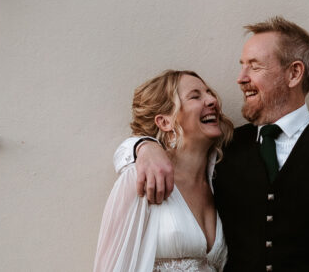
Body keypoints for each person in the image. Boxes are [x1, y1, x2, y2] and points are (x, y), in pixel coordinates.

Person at [118, 18, 309, 271]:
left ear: (294, 73)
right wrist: (143, 147)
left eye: (254, 67)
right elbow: (162, 154)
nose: (240, 78)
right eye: (242, 66)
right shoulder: (220, 152)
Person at [95, 70, 236, 272]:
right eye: (195, 96)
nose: (212, 100)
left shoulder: (220, 179)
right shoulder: (141, 176)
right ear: (165, 122)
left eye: (209, 93)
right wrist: (143, 145)